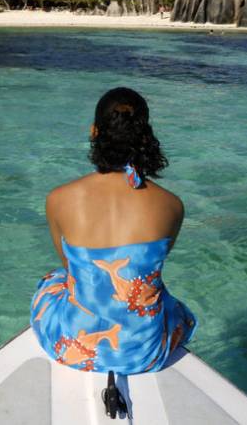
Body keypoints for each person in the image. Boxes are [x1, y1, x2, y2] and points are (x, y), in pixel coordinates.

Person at [30, 87, 197, 374]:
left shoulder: (58, 199)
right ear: (145, 136)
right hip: (145, 351)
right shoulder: (172, 205)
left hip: (74, 346)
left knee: (53, 280)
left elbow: (70, 270)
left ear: (94, 131)